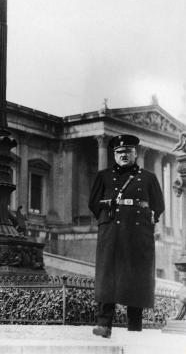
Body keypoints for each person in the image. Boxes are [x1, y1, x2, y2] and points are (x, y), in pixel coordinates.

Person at [89, 134, 164, 338]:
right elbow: (93, 203)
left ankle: (134, 326)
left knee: (137, 278)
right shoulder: (103, 176)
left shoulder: (148, 178)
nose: (124, 155)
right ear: (114, 154)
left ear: (135, 154)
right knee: (107, 276)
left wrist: (146, 223)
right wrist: (108, 212)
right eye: (120, 152)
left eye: (128, 152)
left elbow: (158, 205)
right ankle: (104, 324)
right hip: (111, 232)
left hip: (138, 234)